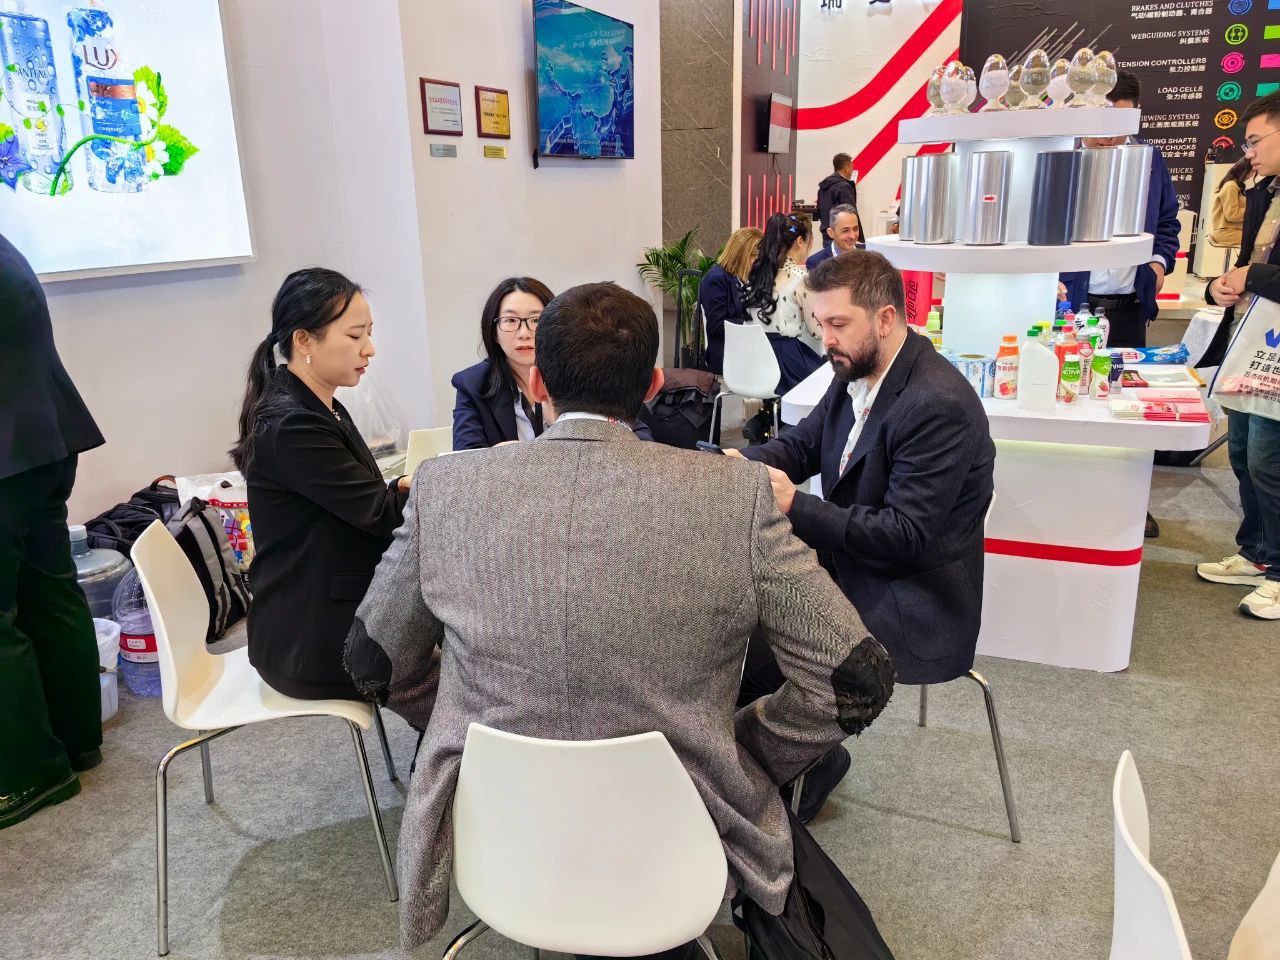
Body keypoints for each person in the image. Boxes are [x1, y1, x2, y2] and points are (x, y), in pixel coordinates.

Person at [343, 281, 895, 952]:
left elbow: (373, 660)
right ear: (654, 386)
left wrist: (472, 726)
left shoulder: (444, 488)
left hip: (502, 831)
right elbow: (856, 677)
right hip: (676, 827)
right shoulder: (734, 495)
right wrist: (743, 749)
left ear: (539, 382)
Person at [731, 251, 995, 688]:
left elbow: (903, 535)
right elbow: (803, 444)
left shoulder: (938, 404)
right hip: (853, 566)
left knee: (753, 665)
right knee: (734, 634)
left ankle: (797, 732)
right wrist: (740, 465)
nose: (826, 339)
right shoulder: (858, 366)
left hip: (910, 602)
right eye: (820, 324)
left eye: (838, 324)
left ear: (885, 319)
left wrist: (794, 504)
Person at [230, 268, 409, 700]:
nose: (369, 349)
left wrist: (410, 485)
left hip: (323, 608)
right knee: (464, 681)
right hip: (310, 639)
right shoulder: (294, 424)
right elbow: (381, 514)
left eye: (369, 333)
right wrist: (446, 480)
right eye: (355, 336)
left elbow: (367, 500)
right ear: (304, 340)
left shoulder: (319, 405)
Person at [0, 232, 105, 830]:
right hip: (45, 438)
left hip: (9, 455)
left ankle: (28, 775)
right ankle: (76, 741)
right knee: (49, 592)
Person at [1196, 91, 1280, 620]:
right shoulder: (1264, 192)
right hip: (1251, 345)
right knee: (1245, 453)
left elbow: (1259, 271)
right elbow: (1246, 264)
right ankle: (1257, 553)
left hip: (1274, 354)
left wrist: (1254, 275)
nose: (1248, 153)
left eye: (1254, 141)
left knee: (1271, 460)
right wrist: (1221, 287)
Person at [453, 276, 652, 446]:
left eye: (536, 320)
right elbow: (465, 458)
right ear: (494, 332)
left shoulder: (581, 368)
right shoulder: (472, 384)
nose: (524, 333)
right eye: (511, 321)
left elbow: (638, 434)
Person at [1059, 72, 1181, 349]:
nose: (1108, 138)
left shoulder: (1149, 159)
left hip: (1130, 308)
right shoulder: (1060, 156)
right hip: (1068, 306)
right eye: (1100, 125)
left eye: (1118, 126)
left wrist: (1158, 264)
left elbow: (1166, 220)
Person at [744, 213, 825, 398]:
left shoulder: (757, 276)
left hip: (753, 362)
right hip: (785, 361)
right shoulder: (802, 279)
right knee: (832, 383)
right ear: (800, 241)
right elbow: (816, 332)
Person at [699, 226, 761, 376]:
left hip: (746, 348)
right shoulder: (716, 279)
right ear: (745, 256)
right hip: (727, 353)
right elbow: (716, 326)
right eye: (757, 259)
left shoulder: (743, 278)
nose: (759, 264)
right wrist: (750, 324)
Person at [1210, 156, 1252, 250]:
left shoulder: (1233, 185)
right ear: (1245, 171)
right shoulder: (1231, 186)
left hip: (1230, 230)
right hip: (1226, 232)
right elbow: (1232, 214)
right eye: (1252, 172)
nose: (1252, 175)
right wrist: (1253, 211)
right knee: (1260, 239)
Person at [806, 203, 862, 270]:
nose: (852, 236)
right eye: (845, 231)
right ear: (831, 233)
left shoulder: (869, 255)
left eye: (855, 229)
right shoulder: (816, 263)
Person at [816, 152, 858, 241]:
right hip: (843, 238)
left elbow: (819, 211)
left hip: (827, 235)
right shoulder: (844, 187)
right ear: (846, 167)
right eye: (851, 168)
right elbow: (850, 213)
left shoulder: (823, 187)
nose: (852, 171)